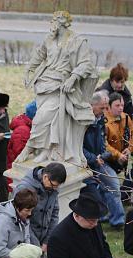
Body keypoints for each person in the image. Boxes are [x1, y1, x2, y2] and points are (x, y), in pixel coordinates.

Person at [16, 11, 98, 166]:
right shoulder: (49, 39)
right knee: (48, 120)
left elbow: (86, 63)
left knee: (42, 119)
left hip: (62, 86)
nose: (51, 24)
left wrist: (73, 78)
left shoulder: (77, 41)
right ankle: (46, 150)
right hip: (44, 84)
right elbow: (39, 55)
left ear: (63, 22)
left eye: (54, 21)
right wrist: (28, 70)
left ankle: (29, 148)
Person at [84, 91, 125, 229]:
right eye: (102, 108)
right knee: (95, 194)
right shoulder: (83, 123)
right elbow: (77, 148)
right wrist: (94, 158)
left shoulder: (101, 119)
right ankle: (101, 216)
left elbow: (102, 142)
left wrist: (103, 156)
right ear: (91, 106)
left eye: (106, 107)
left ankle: (117, 221)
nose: (104, 111)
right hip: (85, 165)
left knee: (113, 184)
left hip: (99, 161)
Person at [13, 161, 67, 251]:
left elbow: (54, 214)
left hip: (43, 239)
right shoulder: (24, 188)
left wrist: (47, 240)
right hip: (27, 239)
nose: (55, 189)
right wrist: (35, 245)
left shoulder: (53, 187)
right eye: (53, 185)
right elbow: (21, 218)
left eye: (57, 186)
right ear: (45, 177)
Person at [104, 92, 131, 175]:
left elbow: (132, 134)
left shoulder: (126, 117)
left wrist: (129, 149)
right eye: (117, 105)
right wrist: (118, 155)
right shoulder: (104, 122)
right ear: (109, 106)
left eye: (122, 105)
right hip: (107, 160)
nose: (121, 108)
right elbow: (104, 144)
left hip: (123, 157)